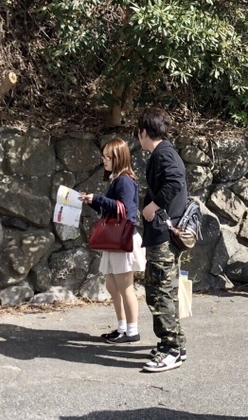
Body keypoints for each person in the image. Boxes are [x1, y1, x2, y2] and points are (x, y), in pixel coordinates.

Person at [137, 107, 189, 373]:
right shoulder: (166, 151)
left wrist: (153, 206)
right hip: (166, 234)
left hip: (163, 236)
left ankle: (170, 349)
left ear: (144, 132)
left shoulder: (164, 153)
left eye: (139, 133)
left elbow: (175, 182)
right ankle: (175, 345)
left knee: (158, 293)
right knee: (166, 291)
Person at [79, 138, 146, 344]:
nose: (105, 160)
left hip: (122, 240)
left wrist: (97, 198)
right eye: (104, 156)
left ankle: (131, 330)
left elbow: (125, 209)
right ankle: (122, 327)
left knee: (124, 286)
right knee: (112, 284)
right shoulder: (118, 179)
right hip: (116, 240)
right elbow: (112, 208)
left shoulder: (124, 180)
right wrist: (92, 201)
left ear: (119, 158)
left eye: (109, 157)